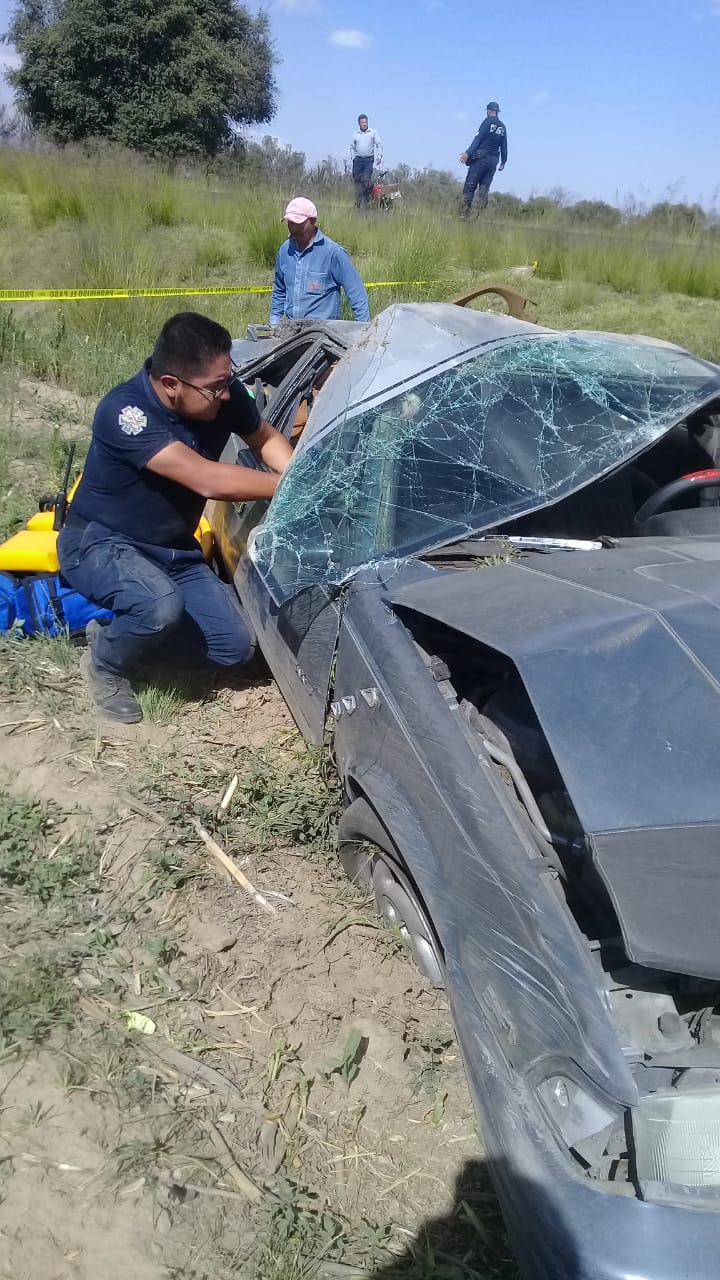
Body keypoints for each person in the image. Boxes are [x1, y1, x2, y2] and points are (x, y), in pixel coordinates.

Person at [58, 312, 294, 725]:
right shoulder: (125, 413)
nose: (226, 394)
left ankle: (131, 634)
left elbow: (267, 439)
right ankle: (106, 664)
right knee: (159, 608)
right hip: (101, 543)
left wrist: (296, 473)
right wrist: (295, 488)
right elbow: (205, 479)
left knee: (235, 648)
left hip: (173, 551)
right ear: (171, 385)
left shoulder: (222, 394)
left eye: (228, 379)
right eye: (215, 387)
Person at [269, 197, 370, 325]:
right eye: (290, 222)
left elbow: (356, 293)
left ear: (313, 221)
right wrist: (274, 322)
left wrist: (364, 330)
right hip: (291, 333)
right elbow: (279, 289)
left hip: (324, 335)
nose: (293, 228)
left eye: (298, 223)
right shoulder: (285, 251)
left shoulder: (333, 253)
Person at [460, 101, 508, 214]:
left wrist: (467, 153)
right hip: (493, 162)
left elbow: (478, 139)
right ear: (497, 112)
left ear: (489, 111)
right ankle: (477, 216)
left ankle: (463, 214)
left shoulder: (487, 122)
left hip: (481, 159)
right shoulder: (503, 127)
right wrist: (503, 161)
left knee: (470, 185)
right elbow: (504, 145)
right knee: (483, 189)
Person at [350, 114, 382, 207]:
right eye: (362, 122)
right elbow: (352, 147)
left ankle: (365, 201)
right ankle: (358, 202)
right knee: (357, 181)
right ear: (359, 124)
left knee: (365, 179)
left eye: (366, 122)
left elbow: (379, 145)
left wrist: (379, 156)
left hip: (368, 160)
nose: (364, 124)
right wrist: (353, 158)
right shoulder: (355, 134)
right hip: (358, 160)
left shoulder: (373, 133)